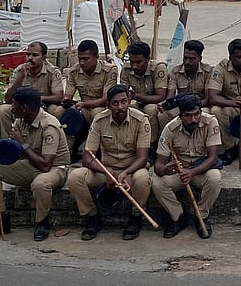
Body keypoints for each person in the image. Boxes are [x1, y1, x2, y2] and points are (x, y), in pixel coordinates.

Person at [0, 88, 70, 241]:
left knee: (40, 183)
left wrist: (23, 143)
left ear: (24, 108)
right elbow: (13, 152)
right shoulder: (20, 121)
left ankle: (42, 222)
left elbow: (46, 165)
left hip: (55, 169)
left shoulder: (49, 125)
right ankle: (0, 219)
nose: (11, 109)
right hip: (32, 165)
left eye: (14, 105)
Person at [67, 85, 151, 241]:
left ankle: (135, 216)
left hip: (130, 171)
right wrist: (105, 171)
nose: (120, 107)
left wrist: (125, 173)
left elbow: (142, 158)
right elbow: (87, 157)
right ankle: (92, 218)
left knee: (143, 179)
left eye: (124, 102)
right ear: (108, 105)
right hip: (105, 172)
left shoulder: (141, 120)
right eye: (115, 103)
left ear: (129, 101)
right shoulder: (99, 120)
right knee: (75, 177)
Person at [151, 94, 220, 239]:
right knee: (157, 183)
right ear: (180, 115)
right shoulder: (170, 129)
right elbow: (158, 165)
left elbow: (213, 158)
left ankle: (201, 216)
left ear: (201, 112)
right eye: (188, 116)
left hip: (200, 170)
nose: (193, 119)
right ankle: (177, 217)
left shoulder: (211, 122)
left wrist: (192, 172)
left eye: (196, 114)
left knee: (215, 178)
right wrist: (165, 169)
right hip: (180, 172)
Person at [0, 41, 64, 141]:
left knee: (55, 110)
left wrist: (34, 99)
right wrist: (21, 78)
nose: (30, 58)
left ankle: (51, 140)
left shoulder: (53, 72)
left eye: (35, 55)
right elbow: (8, 99)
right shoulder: (19, 70)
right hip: (22, 107)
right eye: (28, 54)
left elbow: (58, 97)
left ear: (44, 57)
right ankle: (8, 144)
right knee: (3, 110)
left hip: (43, 106)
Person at [120, 41, 168, 146]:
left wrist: (136, 96)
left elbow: (160, 96)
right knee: (129, 108)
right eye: (132, 62)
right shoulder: (126, 68)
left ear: (147, 60)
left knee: (150, 110)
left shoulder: (158, 68)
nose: (134, 66)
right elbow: (123, 92)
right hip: (136, 100)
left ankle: (151, 144)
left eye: (138, 62)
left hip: (154, 102)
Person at [161, 40, 213, 129]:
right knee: (163, 115)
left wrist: (192, 106)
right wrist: (166, 105)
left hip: (201, 106)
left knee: (206, 115)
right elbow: (170, 96)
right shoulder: (175, 71)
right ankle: (165, 141)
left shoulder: (208, 72)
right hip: (182, 106)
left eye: (191, 59)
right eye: (185, 58)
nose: (187, 62)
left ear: (200, 58)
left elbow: (208, 100)